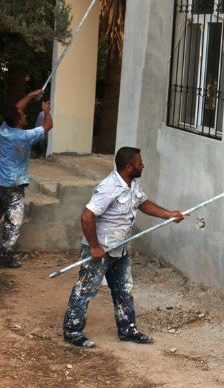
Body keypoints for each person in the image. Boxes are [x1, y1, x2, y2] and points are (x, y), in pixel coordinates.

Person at [63, 146, 185, 348]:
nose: (143, 165)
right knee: (86, 289)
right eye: (139, 163)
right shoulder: (108, 187)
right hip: (100, 249)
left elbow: (142, 203)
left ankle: (128, 330)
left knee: (123, 289)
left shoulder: (133, 183)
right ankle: (72, 331)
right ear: (128, 167)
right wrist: (94, 246)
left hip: (120, 248)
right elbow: (87, 215)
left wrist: (168, 215)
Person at [0, 89, 53, 268]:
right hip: (13, 188)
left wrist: (31, 95)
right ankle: (4, 258)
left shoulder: (4, 129)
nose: (25, 114)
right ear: (19, 122)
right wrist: (45, 110)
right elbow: (47, 126)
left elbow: (15, 108)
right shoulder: (24, 137)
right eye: (23, 115)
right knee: (13, 223)